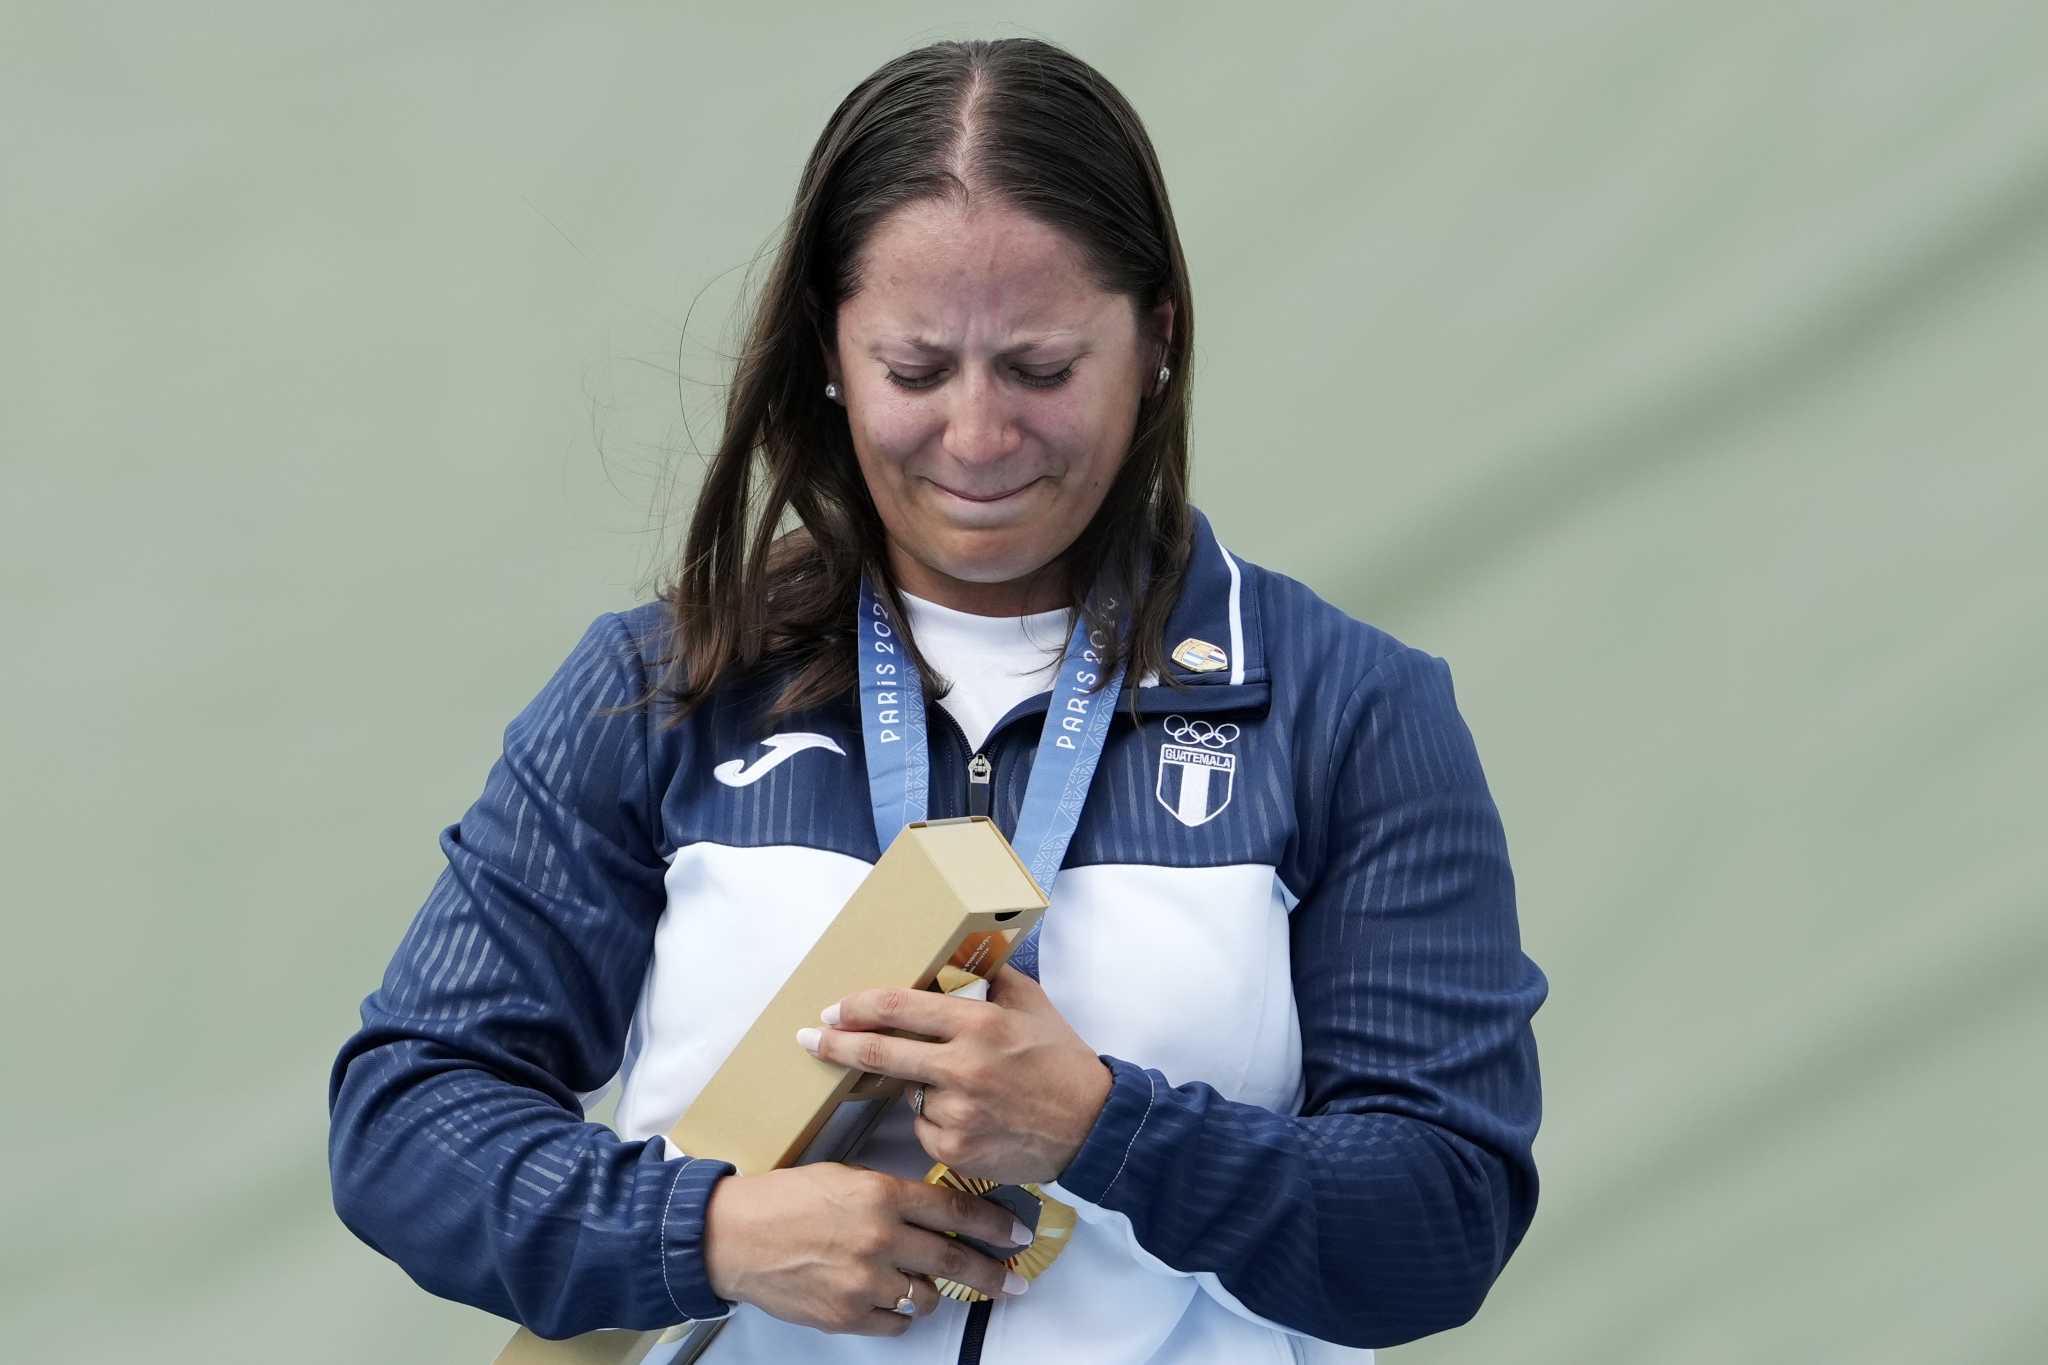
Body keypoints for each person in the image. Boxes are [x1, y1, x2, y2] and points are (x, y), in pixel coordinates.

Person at [326, 35, 1548, 1365]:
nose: (976, 438)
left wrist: (1104, 1126)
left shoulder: (1347, 708)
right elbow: (405, 1116)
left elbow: (1442, 1222)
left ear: (1156, 340)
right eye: (916, 370)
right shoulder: (665, 684)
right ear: (829, 353)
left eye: (1039, 368)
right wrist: (712, 1231)